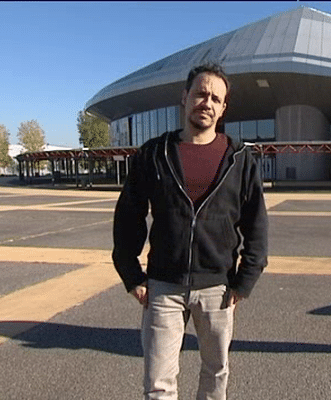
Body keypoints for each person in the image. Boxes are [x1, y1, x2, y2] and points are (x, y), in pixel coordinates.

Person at [112, 63, 268, 399]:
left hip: (218, 288)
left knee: (215, 374)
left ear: (223, 108)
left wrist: (245, 280)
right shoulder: (154, 154)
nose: (206, 102)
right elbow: (129, 216)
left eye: (215, 98)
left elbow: (256, 224)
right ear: (184, 98)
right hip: (163, 287)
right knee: (158, 383)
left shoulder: (240, 159)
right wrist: (131, 275)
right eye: (200, 93)